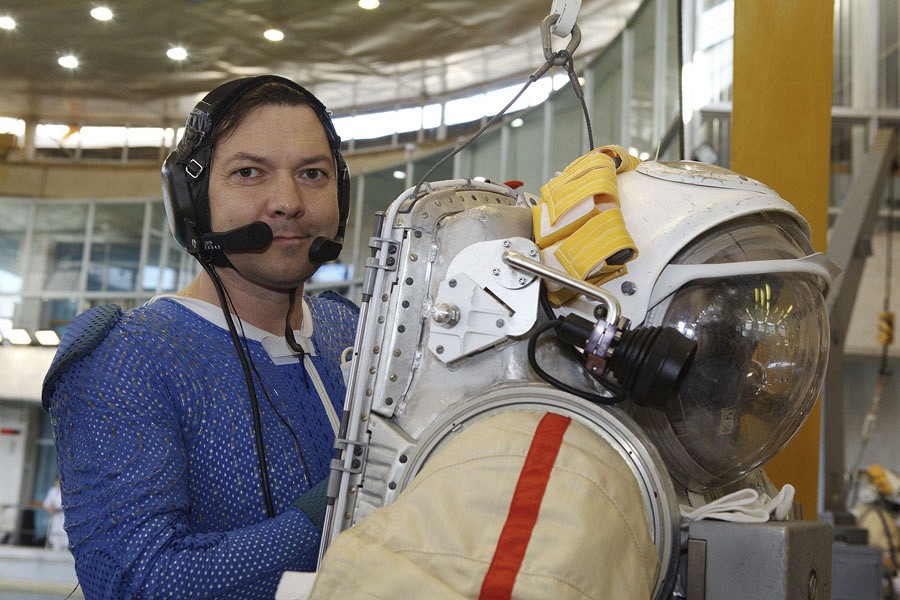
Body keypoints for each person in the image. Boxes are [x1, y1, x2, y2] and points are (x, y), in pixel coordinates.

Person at [41, 75, 358, 598]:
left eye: (313, 173)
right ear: (190, 200)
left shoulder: (352, 329)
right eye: (249, 172)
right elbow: (141, 582)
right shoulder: (126, 357)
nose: (288, 202)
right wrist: (337, 503)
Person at [43, 478, 68, 551]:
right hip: (56, 516)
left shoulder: (67, 490)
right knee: (55, 534)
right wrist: (50, 508)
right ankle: (55, 548)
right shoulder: (52, 490)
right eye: (56, 483)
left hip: (65, 516)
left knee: (64, 534)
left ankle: (65, 549)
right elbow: (46, 503)